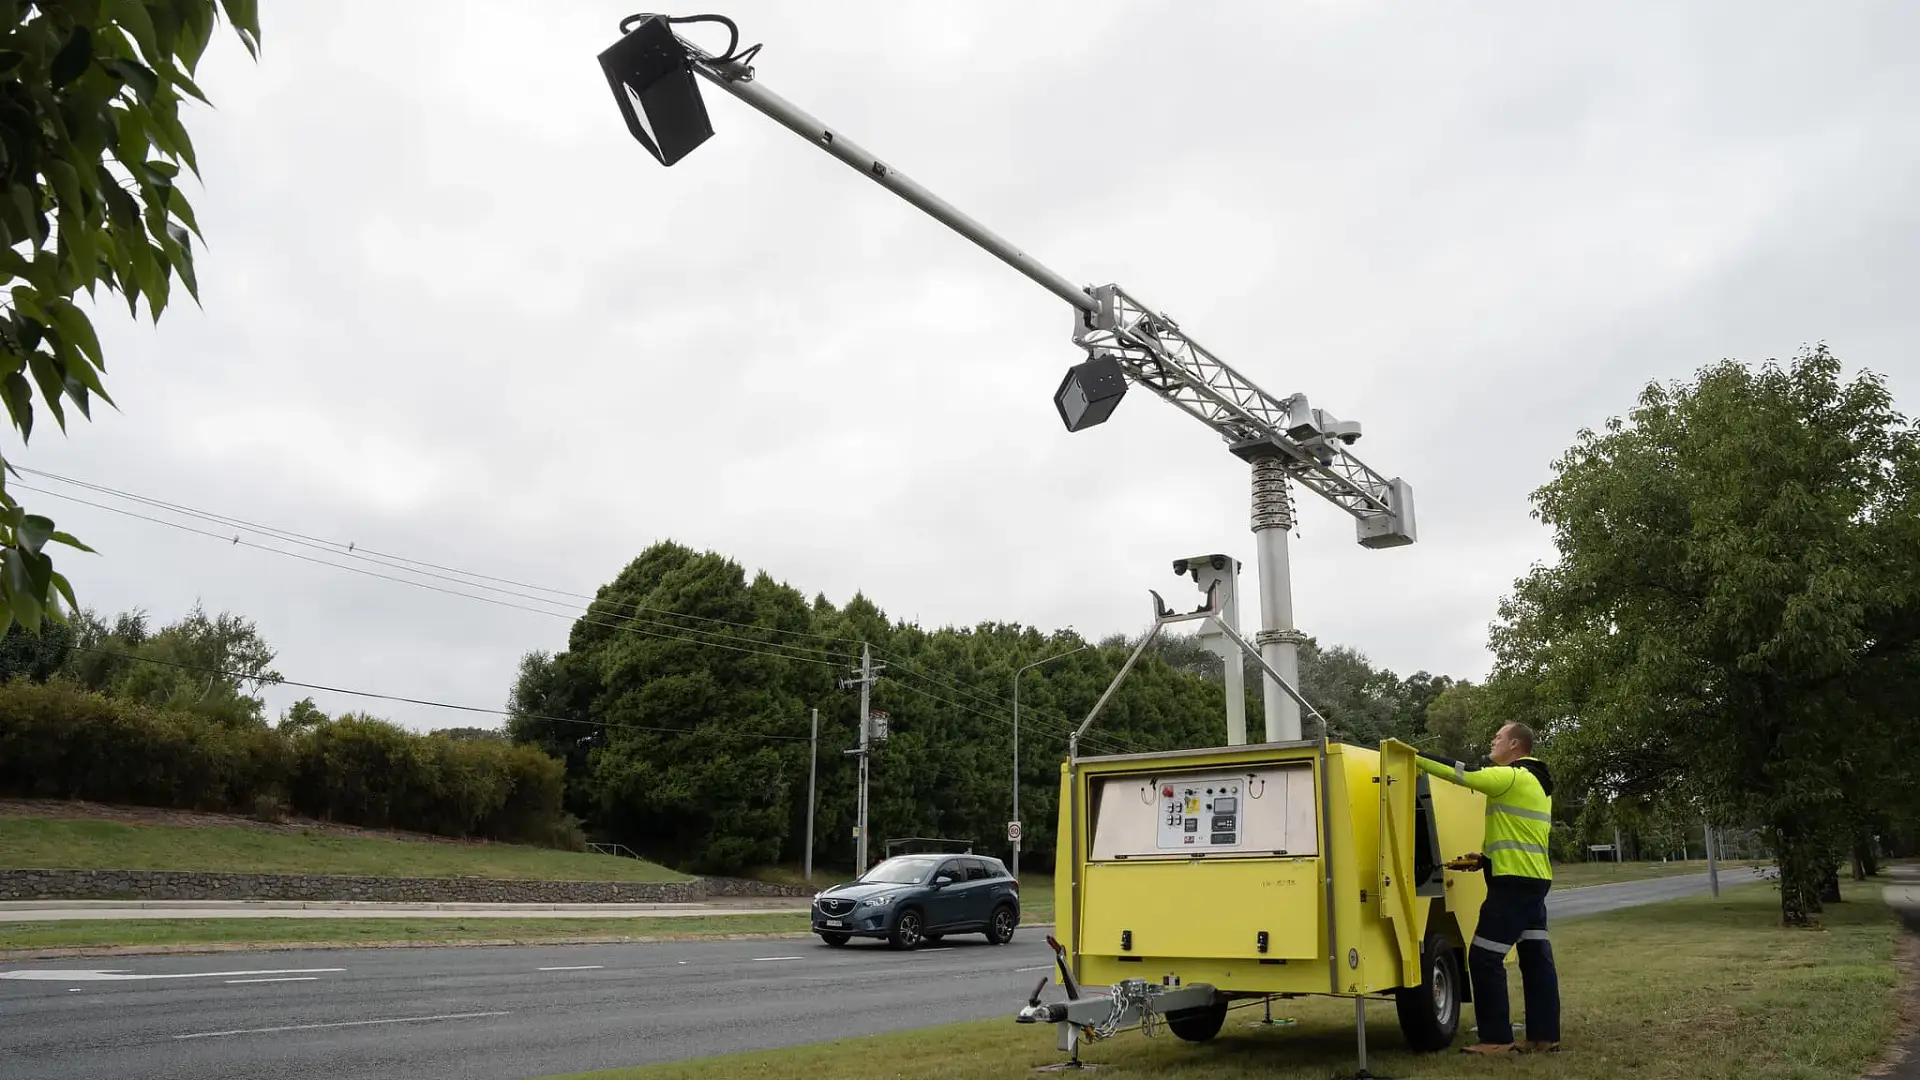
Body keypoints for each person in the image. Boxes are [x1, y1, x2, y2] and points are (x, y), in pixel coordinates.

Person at [1414, 722, 1562, 1055]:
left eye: (1497, 738)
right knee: (1536, 958)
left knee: (1483, 956)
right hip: (1533, 879)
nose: (1492, 742)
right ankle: (1543, 1036)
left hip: (1512, 883)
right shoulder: (1538, 785)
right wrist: (1486, 859)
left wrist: (1414, 756)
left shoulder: (1511, 777)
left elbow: (1462, 774)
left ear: (1514, 745)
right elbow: (1522, 836)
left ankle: (1496, 1039)